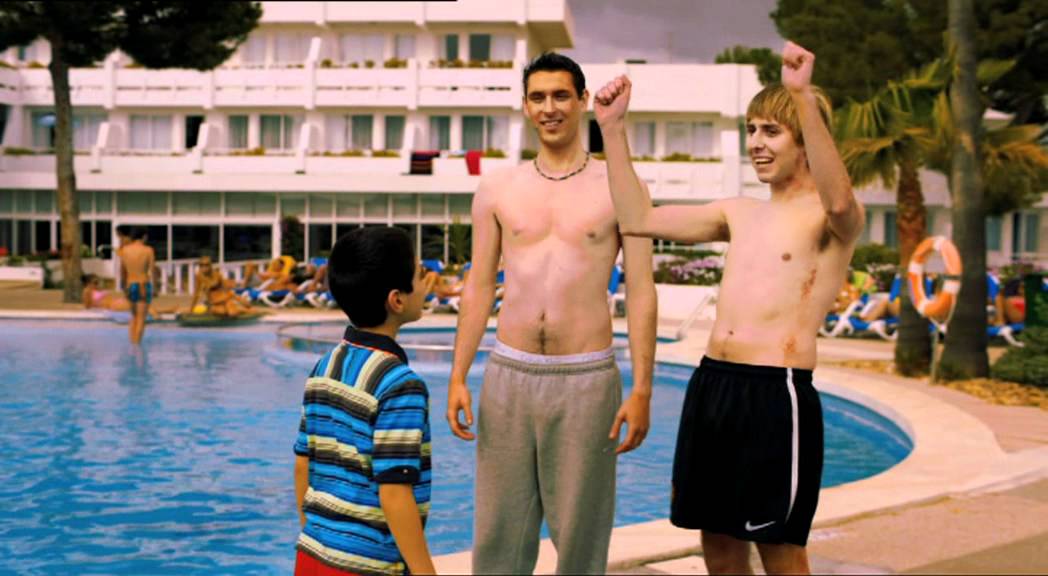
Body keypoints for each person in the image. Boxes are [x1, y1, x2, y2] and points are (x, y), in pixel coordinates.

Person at [594, 41, 864, 575]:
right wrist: (613, 129)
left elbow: (838, 200)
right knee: (717, 548)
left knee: (781, 553)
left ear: (803, 140)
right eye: (751, 130)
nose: (756, 143)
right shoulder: (738, 212)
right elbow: (638, 218)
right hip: (713, 385)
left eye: (772, 131)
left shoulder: (832, 220)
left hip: (776, 393)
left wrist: (801, 96)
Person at [446, 52, 657, 574]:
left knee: (581, 537)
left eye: (561, 95)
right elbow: (479, 285)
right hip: (509, 373)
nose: (549, 108)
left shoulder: (620, 186)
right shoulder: (498, 188)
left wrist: (643, 389)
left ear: (582, 100)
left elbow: (642, 290)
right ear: (525, 106)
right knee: (498, 535)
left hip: (585, 379)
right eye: (538, 97)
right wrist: (458, 376)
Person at [293, 227, 436, 576]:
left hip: (313, 556)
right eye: (419, 274)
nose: (426, 282)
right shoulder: (400, 384)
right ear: (397, 300)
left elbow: (302, 464)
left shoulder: (324, 367)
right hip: (369, 565)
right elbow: (394, 491)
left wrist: (322, 537)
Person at [117, 226, 156, 345]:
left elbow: (122, 270)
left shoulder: (125, 250)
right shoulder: (148, 250)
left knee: (133, 317)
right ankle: (137, 346)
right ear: (144, 236)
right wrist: (155, 287)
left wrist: (123, 286)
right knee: (141, 318)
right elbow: (152, 270)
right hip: (143, 285)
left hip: (130, 285)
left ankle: (132, 343)